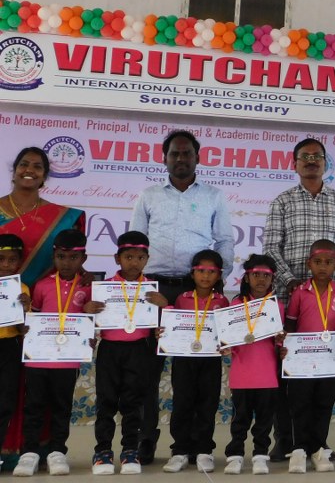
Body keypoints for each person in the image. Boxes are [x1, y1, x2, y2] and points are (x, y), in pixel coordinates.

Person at [130, 130, 233, 465]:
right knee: (148, 369)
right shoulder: (148, 196)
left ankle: (197, 442)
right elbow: (136, 242)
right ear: (165, 158)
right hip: (154, 290)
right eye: (174, 153)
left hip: (198, 290)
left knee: (196, 371)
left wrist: (217, 280)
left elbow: (224, 241)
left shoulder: (214, 196)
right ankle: (145, 439)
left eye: (187, 153)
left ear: (197, 158)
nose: (180, 159)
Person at [263, 137, 335, 460]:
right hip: (289, 299)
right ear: (294, 164)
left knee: (323, 375)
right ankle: (286, 440)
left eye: (317, 156)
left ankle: (318, 442)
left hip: (332, 305)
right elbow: (270, 248)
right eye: (304, 157)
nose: (311, 161)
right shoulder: (282, 201)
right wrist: (290, 281)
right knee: (287, 373)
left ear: (325, 163)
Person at [13, 230, 96, 478]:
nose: (66, 263)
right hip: (38, 360)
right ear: (54, 257)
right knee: (34, 406)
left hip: (68, 362)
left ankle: (57, 451)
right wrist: (26, 321)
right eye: (61, 257)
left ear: (83, 259)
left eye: (73, 258)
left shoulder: (89, 287)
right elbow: (34, 318)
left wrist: (92, 328)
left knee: (62, 407)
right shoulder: (42, 285)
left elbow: (94, 322)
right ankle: (29, 453)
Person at [90, 232, 167, 476]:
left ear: (147, 259)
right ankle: (103, 451)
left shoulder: (152, 290)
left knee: (133, 402)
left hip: (139, 349)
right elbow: (87, 321)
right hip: (110, 349)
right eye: (128, 257)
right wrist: (88, 310)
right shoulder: (105, 288)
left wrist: (165, 306)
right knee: (106, 401)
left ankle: (130, 450)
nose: (134, 262)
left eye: (140, 257)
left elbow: (169, 325)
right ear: (117, 258)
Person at [284, 240, 335, 474]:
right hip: (301, 361)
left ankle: (318, 448)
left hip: (329, 361)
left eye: (328, 262)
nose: (323, 266)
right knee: (300, 404)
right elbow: (290, 325)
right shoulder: (299, 293)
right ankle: (299, 449)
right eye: (318, 262)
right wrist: (286, 350)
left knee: (323, 404)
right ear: (308, 263)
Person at [161, 251, 230, 474]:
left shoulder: (222, 301)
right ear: (192, 273)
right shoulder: (182, 299)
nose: (206, 276)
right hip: (184, 360)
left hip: (210, 360)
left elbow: (226, 331)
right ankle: (180, 451)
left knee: (207, 404)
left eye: (211, 272)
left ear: (218, 275)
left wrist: (226, 343)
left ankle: (204, 450)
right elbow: (173, 327)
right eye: (201, 271)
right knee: (182, 403)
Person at [223, 255, 282, 475]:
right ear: (246, 277)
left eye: (266, 275)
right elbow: (228, 337)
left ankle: (260, 455)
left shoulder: (277, 306)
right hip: (242, 375)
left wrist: (281, 342)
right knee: (240, 419)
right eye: (256, 274)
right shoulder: (236, 305)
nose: (261, 279)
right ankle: (235, 455)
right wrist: (225, 345)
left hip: (267, 376)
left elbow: (281, 342)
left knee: (264, 422)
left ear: (272, 279)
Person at [0, 148, 86, 288]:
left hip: (48, 294)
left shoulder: (63, 217)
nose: (29, 170)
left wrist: (84, 274)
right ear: (14, 172)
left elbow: (70, 256)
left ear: (44, 177)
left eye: (37, 167)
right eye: (24, 164)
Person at [0, 235, 30, 468]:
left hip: (9, 348)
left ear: (20, 261)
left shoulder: (21, 289)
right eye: (1, 259)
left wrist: (24, 309)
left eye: (12, 260)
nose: (6, 265)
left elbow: (22, 329)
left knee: (5, 402)